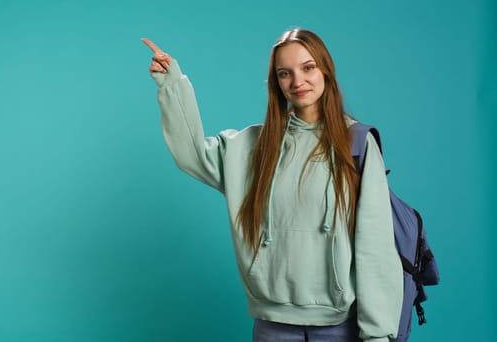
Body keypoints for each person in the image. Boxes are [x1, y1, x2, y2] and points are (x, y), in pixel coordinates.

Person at [142, 28, 403, 342]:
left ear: (326, 71)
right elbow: (192, 155)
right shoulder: (253, 146)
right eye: (285, 73)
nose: (297, 81)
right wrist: (172, 85)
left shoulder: (356, 143)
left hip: (340, 327)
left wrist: (377, 335)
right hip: (272, 326)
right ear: (276, 83)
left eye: (308, 68)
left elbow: (375, 246)